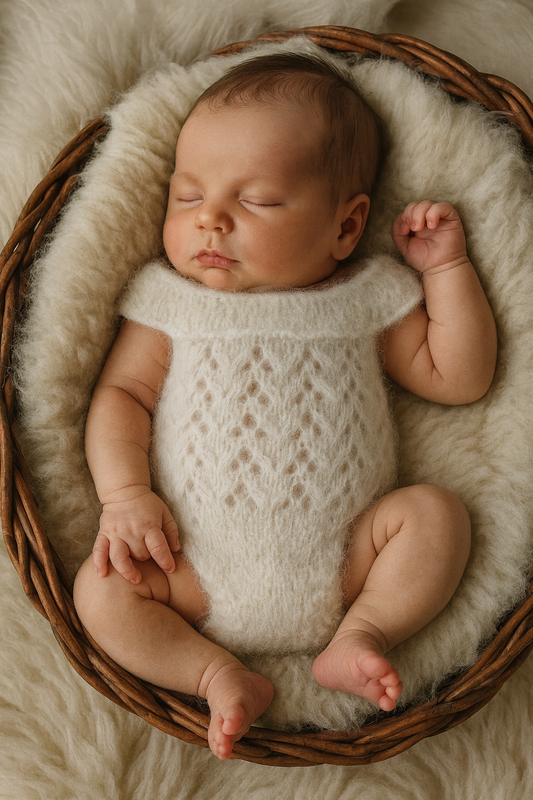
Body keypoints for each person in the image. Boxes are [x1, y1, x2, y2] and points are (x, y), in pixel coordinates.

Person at [73, 53, 496, 760]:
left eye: (259, 201)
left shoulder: (367, 296)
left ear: (345, 226)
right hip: (185, 568)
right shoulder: (169, 303)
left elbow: (458, 377)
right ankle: (214, 674)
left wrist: (446, 270)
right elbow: (122, 396)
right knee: (102, 591)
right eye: (187, 196)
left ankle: (361, 634)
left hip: (350, 565)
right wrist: (124, 496)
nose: (210, 219)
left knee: (435, 516)